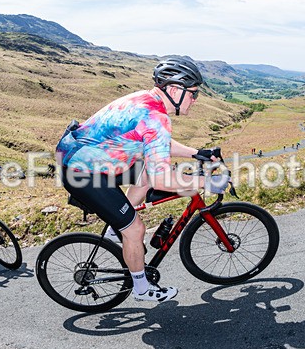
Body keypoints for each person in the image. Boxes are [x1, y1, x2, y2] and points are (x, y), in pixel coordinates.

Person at [56, 57, 230, 303]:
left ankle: (118, 231)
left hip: (87, 156)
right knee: (136, 229)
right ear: (174, 90)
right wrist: (206, 183)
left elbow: (156, 143)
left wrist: (195, 153)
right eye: (193, 93)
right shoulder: (156, 117)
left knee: (146, 174)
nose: (195, 99)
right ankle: (141, 288)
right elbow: (163, 179)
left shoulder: (147, 100)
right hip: (84, 172)